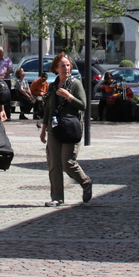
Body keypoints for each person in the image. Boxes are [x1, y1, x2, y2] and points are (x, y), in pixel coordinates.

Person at [40, 52, 93, 206]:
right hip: (54, 128)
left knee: (67, 162)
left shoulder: (75, 84)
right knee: (54, 164)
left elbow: (83, 105)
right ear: (56, 68)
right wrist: (43, 129)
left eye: (68, 65)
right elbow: (48, 109)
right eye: (62, 66)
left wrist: (68, 96)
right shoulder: (52, 86)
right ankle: (57, 198)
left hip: (70, 128)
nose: (66, 68)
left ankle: (85, 182)